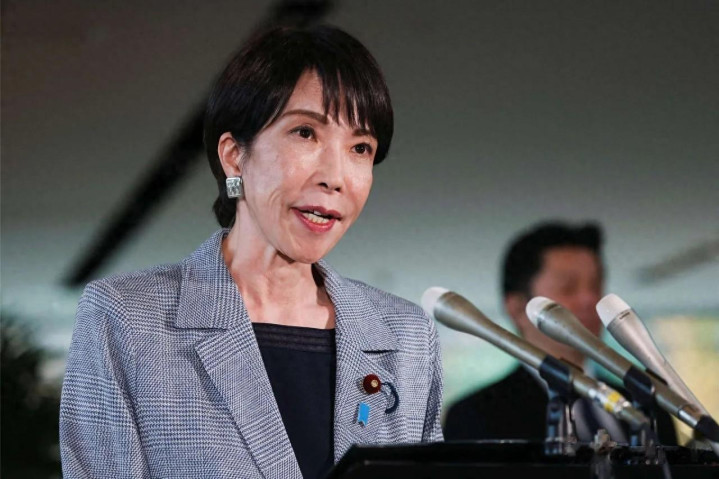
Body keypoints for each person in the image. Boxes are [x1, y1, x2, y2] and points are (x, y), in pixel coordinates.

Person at [60, 25, 443, 479]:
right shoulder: (128, 320)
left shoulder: (407, 338)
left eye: (361, 148)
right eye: (305, 133)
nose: (336, 176)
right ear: (234, 156)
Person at [444, 221, 676, 445]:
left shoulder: (647, 410)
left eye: (596, 286)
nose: (590, 300)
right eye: (568, 288)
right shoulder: (475, 415)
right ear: (517, 308)